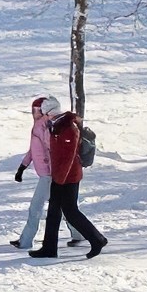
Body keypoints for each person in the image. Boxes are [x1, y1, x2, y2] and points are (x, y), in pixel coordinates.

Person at [37, 93, 107, 260]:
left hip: (68, 177)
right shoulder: (56, 125)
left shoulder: (68, 127)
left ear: (51, 112)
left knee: (70, 211)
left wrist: (60, 180)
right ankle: (49, 248)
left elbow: (68, 156)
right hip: (59, 175)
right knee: (54, 212)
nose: (43, 116)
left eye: (45, 113)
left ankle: (97, 239)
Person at [11, 89, 60, 255]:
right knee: (64, 207)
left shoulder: (45, 126)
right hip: (46, 174)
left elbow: (51, 148)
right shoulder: (38, 126)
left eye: (35, 110)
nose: (34, 113)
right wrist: (22, 167)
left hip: (48, 175)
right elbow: (33, 150)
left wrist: (54, 171)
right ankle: (79, 234)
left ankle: (25, 241)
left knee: (36, 208)